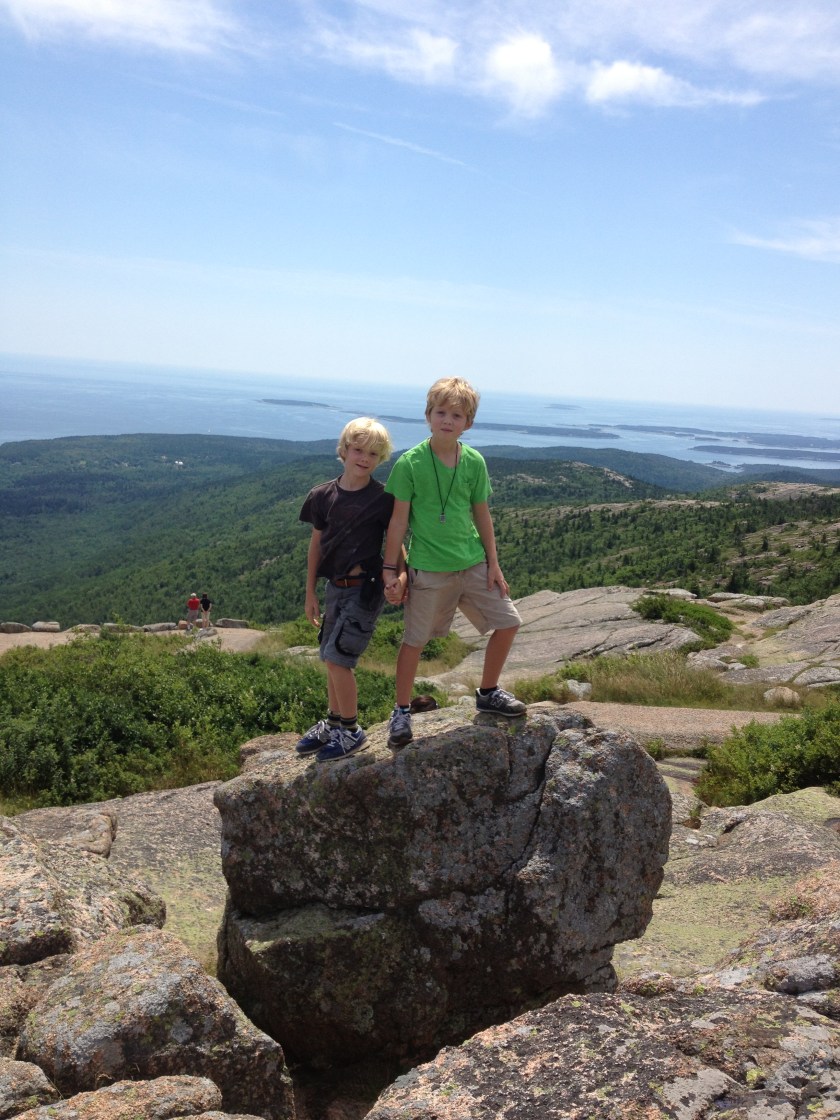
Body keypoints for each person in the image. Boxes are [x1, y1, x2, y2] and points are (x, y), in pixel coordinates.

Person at [382, 376, 525, 749]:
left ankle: (488, 692)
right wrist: (390, 570)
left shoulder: (474, 461)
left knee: (509, 622)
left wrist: (494, 563)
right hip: (429, 568)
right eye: (441, 412)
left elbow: (482, 515)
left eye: (457, 415)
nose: (448, 420)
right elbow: (397, 521)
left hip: (473, 563)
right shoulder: (410, 463)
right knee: (414, 641)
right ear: (428, 416)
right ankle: (401, 711)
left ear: (468, 423)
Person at [295, 417, 407, 763]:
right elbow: (316, 546)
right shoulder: (322, 495)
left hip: (365, 590)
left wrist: (401, 579)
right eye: (358, 450)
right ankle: (333, 724)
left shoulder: (383, 498)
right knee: (329, 657)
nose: (364, 458)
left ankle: (351, 730)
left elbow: (397, 544)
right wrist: (310, 593)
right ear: (344, 450)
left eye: (373, 453)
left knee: (337, 659)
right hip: (335, 587)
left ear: (381, 458)